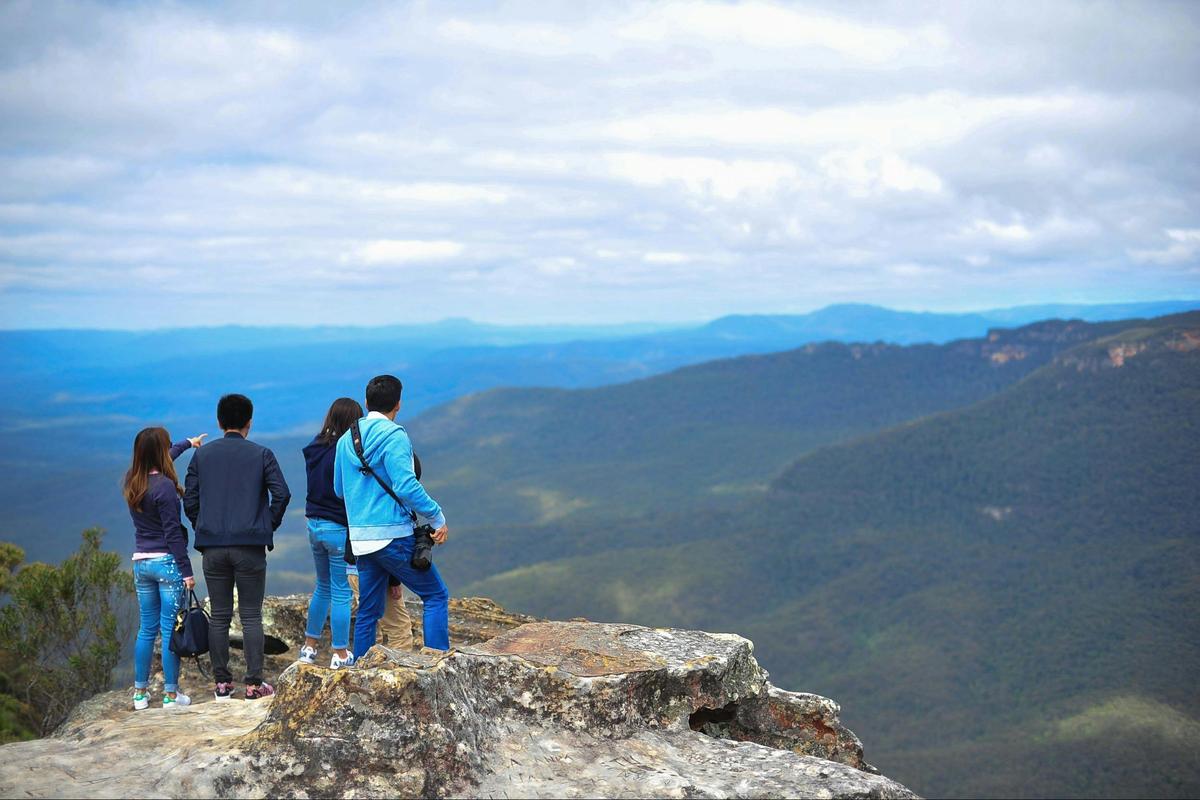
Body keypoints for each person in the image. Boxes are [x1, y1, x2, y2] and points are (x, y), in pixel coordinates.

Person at [184, 393, 290, 701]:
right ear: (249, 423)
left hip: (213, 546)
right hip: (250, 546)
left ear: (219, 422)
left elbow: (190, 499)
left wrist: (203, 526)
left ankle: (222, 685)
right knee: (251, 615)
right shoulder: (262, 454)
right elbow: (282, 494)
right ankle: (254, 685)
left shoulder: (201, 456)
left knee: (219, 615)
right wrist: (266, 526)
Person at [335, 374, 450, 655]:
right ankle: (437, 663)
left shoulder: (346, 439)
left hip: (361, 540)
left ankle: (360, 668)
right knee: (435, 595)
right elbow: (406, 486)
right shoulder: (395, 436)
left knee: (368, 612)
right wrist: (437, 517)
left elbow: (339, 489)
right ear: (398, 404)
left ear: (366, 402)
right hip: (393, 535)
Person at [123, 426, 206, 710]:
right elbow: (172, 534)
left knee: (147, 629)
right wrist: (187, 572)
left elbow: (165, 456)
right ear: (161, 451)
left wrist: (188, 443)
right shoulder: (166, 488)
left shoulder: (133, 480)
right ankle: (171, 695)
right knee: (170, 630)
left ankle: (140, 694)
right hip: (167, 564)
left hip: (141, 563)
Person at [298, 397, 376, 668]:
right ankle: (340, 653)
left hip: (314, 525)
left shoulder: (315, 447)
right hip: (337, 528)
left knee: (322, 586)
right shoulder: (346, 451)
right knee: (342, 591)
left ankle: (309, 648)